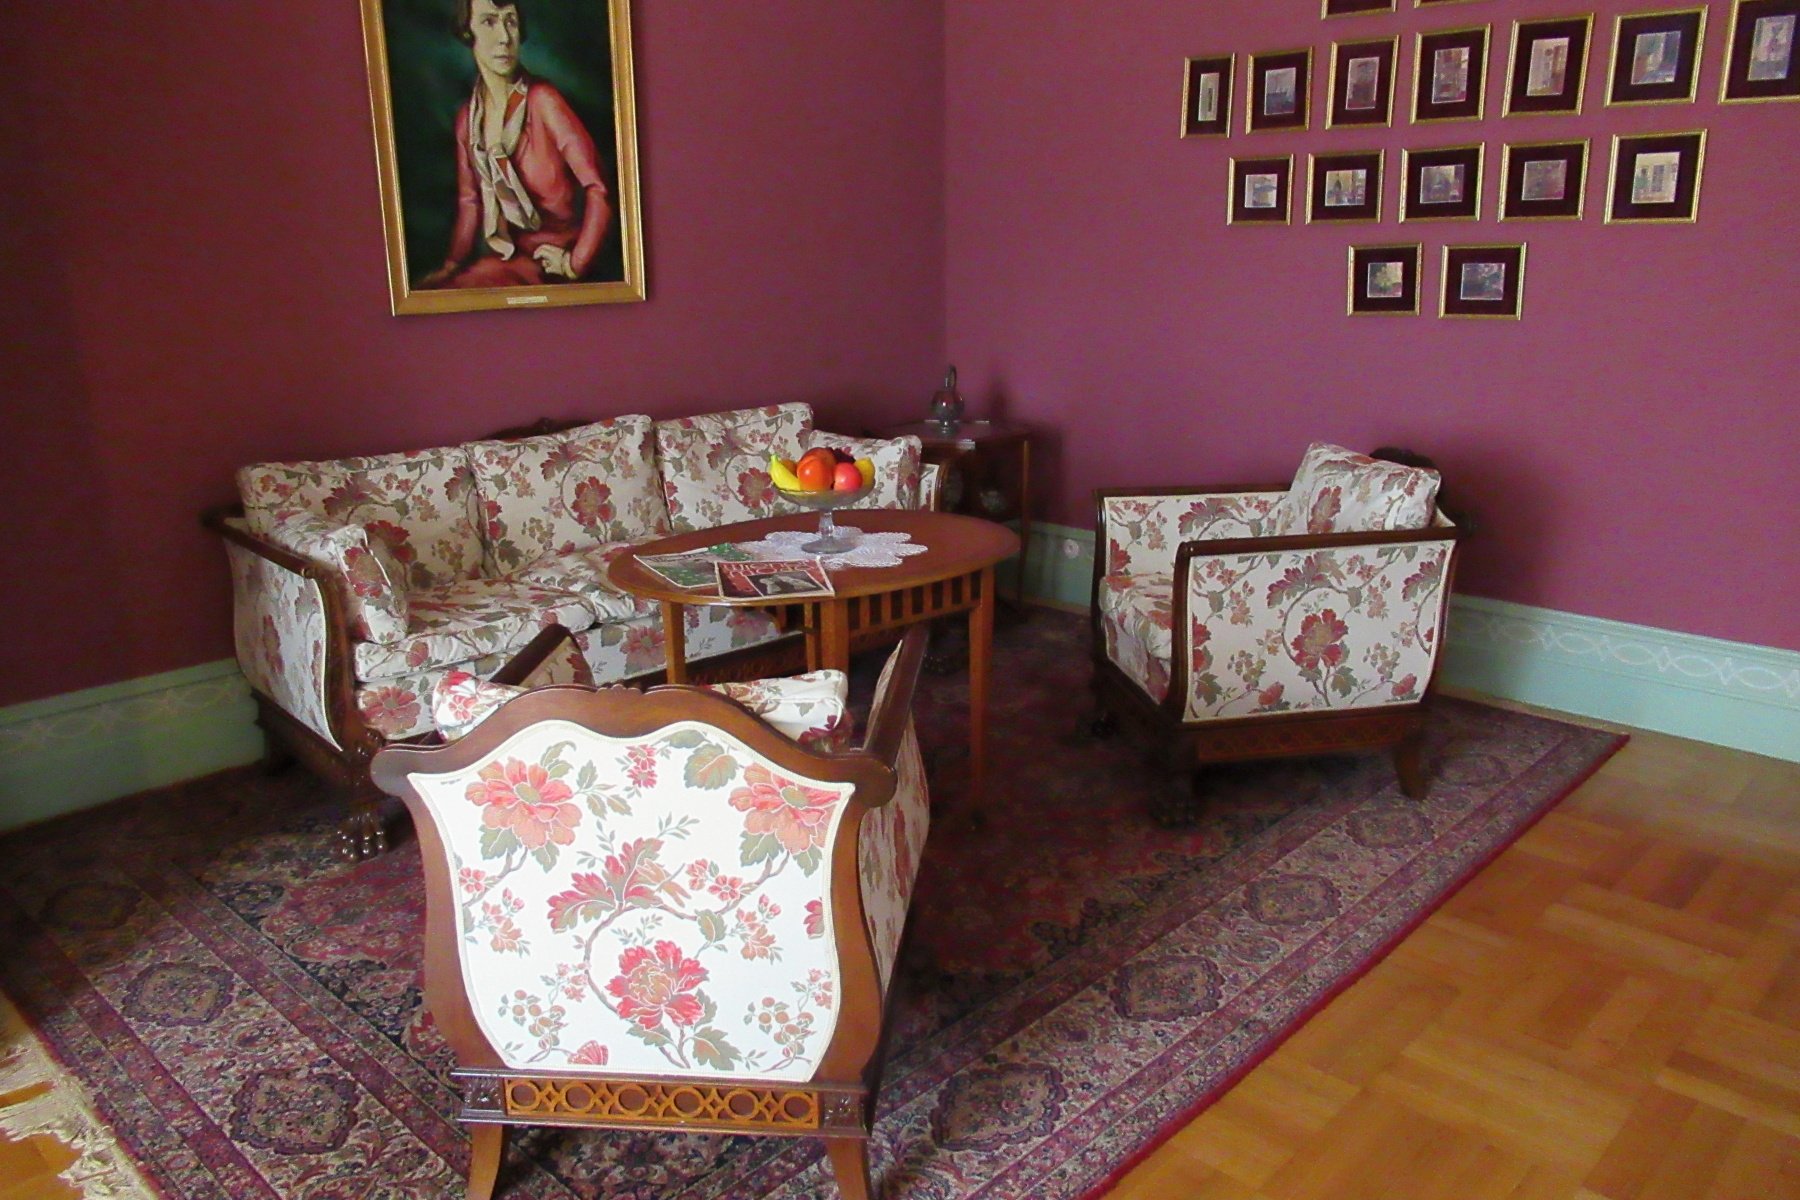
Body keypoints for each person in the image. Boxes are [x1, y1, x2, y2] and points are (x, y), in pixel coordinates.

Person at [418, 0, 612, 289]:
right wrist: (451, 266)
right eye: (489, 22)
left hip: (552, 260)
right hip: (505, 258)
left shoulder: (544, 101)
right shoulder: (468, 120)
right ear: (468, 31)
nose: (504, 37)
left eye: (510, 21)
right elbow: (470, 202)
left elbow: (598, 188)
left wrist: (575, 262)